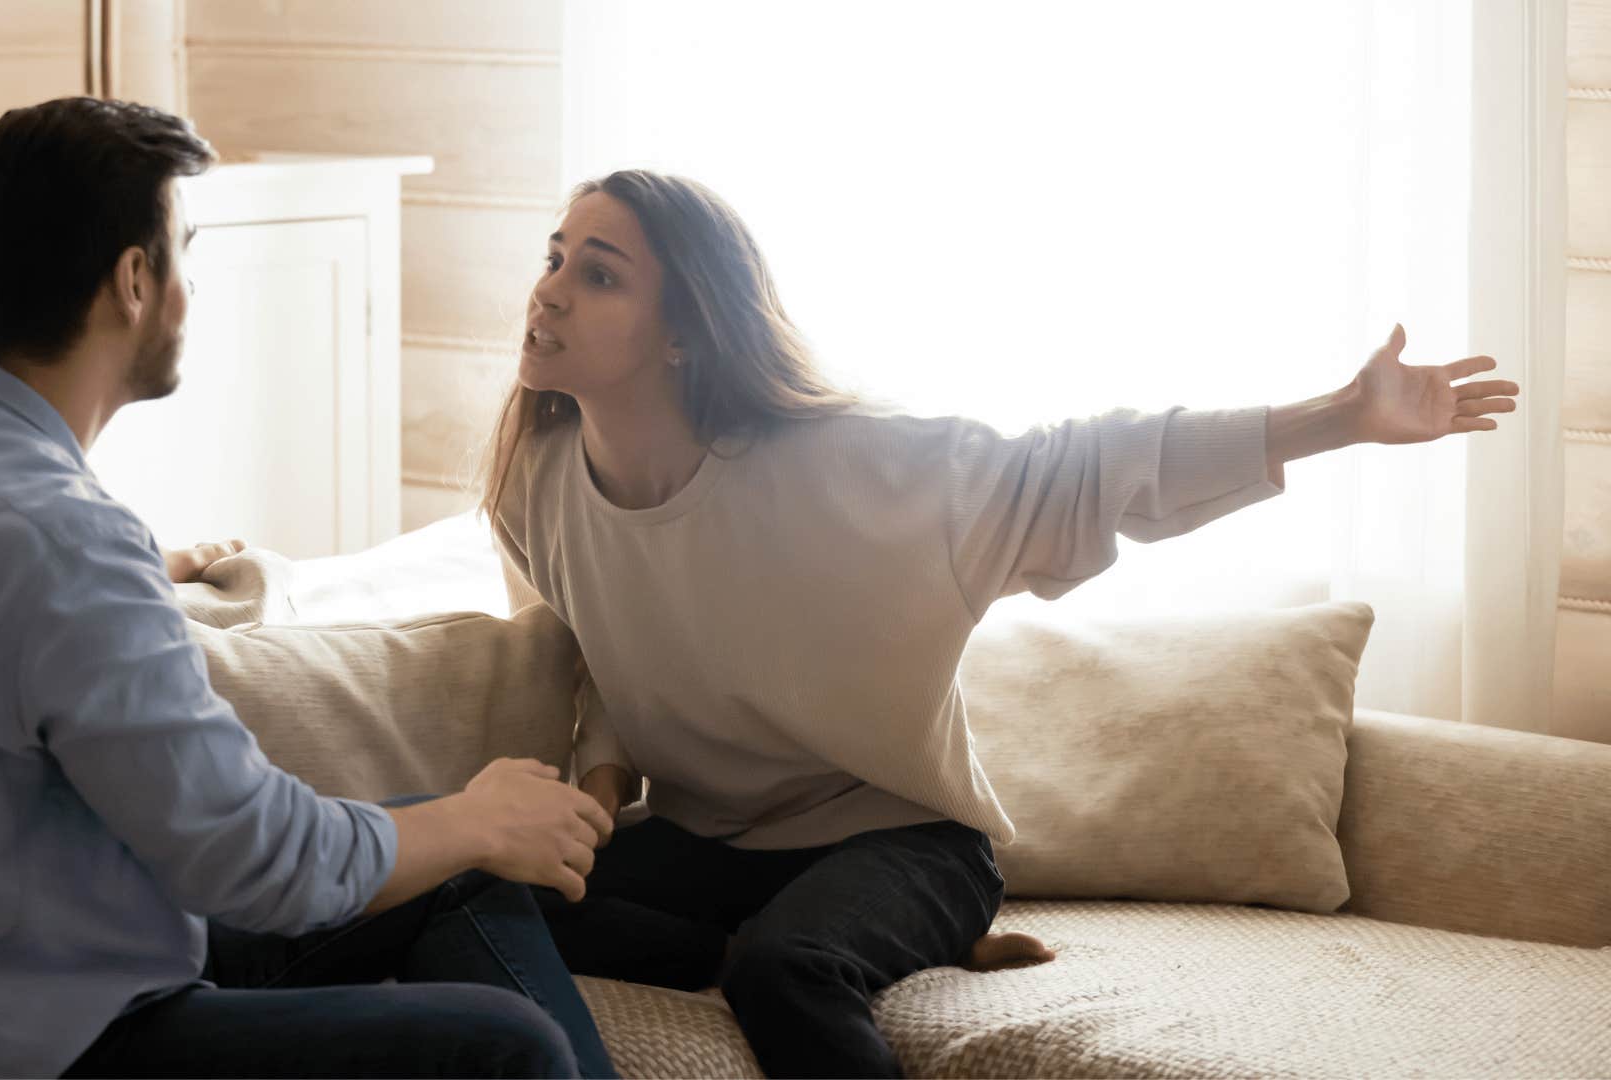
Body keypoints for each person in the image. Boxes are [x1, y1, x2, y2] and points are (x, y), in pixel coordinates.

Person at [481, 168, 1520, 1078]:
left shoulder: (847, 470)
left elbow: (1093, 465)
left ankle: (812, 939)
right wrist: (602, 788)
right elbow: (595, 656)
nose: (550, 288)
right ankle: (758, 941)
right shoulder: (536, 487)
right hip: (711, 838)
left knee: (787, 973)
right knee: (482, 897)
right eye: (556, 255)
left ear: (683, 333)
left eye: (599, 273)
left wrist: (1343, 414)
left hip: (902, 838)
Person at [0, 96, 617, 1080]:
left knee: (457, 857)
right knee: (508, 1048)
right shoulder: (63, 542)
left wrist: (470, 828)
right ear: (135, 281)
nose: (189, 286)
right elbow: (259, 862)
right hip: (26, 1048)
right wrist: (476, 817)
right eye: (186, 249)